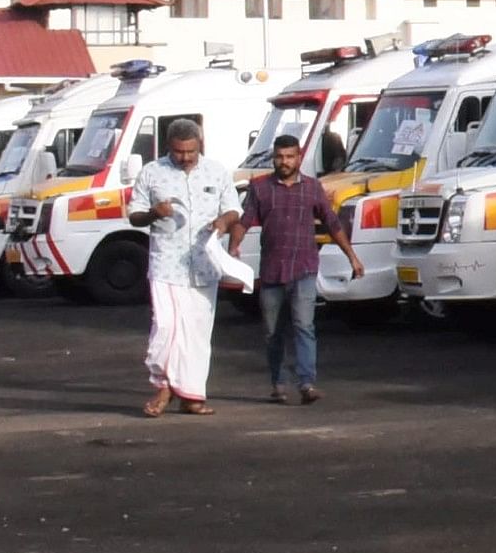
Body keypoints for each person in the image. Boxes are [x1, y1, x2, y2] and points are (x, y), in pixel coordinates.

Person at [223, 134, 358, 406]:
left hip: (304, 268)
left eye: (289, 157)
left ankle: (307, 383)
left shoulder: (312, 188)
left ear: (298, 158)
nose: (284, 162)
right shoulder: (260, 188)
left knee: (304, 326)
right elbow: (244, 220)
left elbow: (332, 223)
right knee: (273, 331)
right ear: (274, 158)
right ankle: (279, 383)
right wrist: (233, 246)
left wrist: (352, 257)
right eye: (279, 157)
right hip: (272, 271)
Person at [130, 120, 232, 415]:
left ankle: (191, 395)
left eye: (190, 151)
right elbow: (134, 216)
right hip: (167, 263)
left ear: (200, 143)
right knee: (166, 327)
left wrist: (223, 222)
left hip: (204, 263)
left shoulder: (217, 171)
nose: (185, 157)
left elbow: (233, 208)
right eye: (178, 151)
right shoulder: (152, 173)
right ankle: (163, 386)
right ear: (168, 147)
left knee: (197, 333)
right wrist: (153, 213)